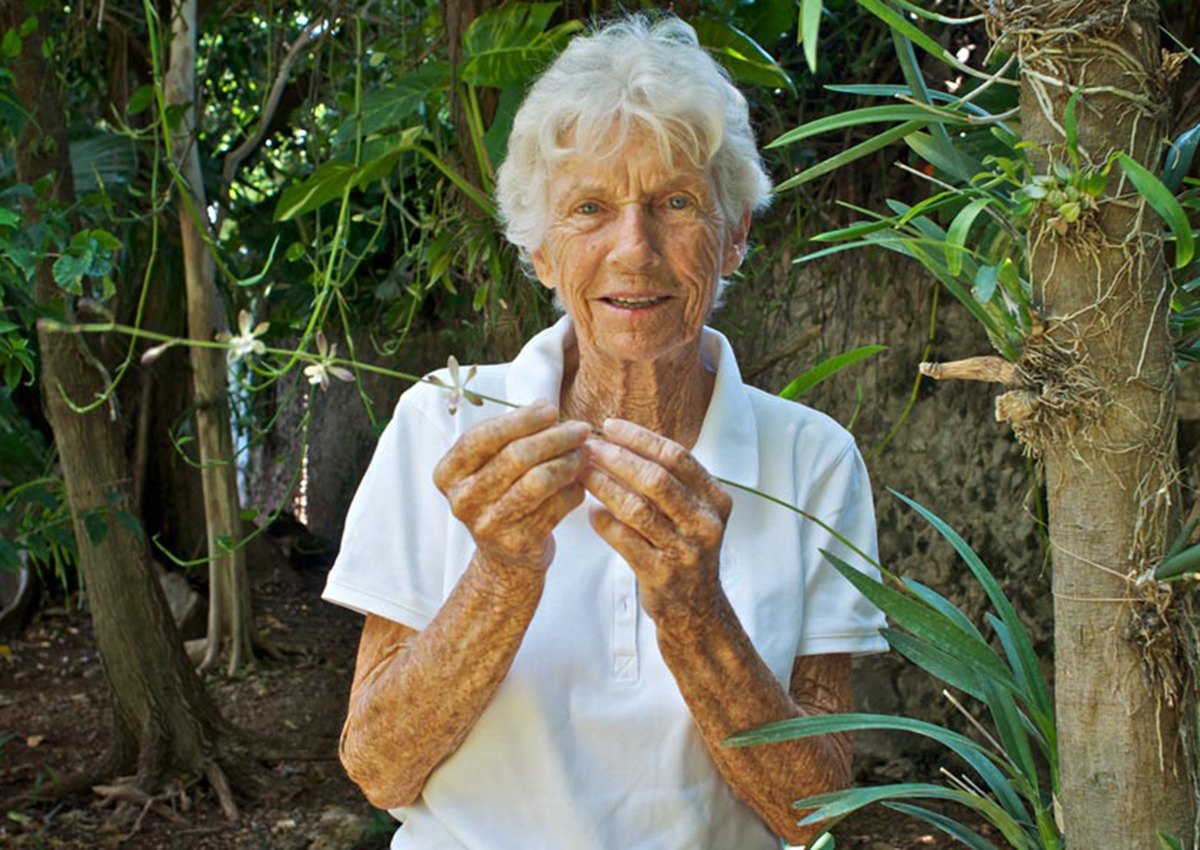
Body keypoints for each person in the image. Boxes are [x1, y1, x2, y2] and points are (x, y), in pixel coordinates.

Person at [323, 15, 886, 850]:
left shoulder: (812, 459)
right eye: (590, 207)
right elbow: (378, 768)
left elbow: (817, 815)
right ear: (542, 251)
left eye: (677, 203)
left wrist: (696, 616)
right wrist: (502, 576)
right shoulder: (441, 422)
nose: (635, 248)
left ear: (734, 238)